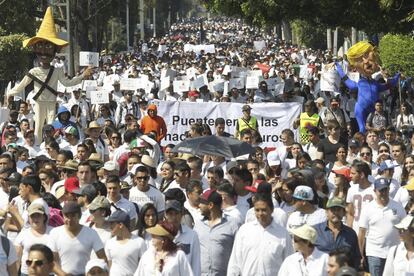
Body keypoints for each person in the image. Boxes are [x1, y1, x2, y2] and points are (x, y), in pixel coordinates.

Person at [6, 7, 92, 142]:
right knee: (38, 126)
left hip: (52, 102)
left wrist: (82, 76)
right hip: (39, 102)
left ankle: (51, 145)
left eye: (49, 47)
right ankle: (38, 145)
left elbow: (67, 83)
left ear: (55, 50)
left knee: (51, 126)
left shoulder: (57, 70)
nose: (44, 52)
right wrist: (10, 93)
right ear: (35, 48)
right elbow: (21, 86)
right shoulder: (33, 72)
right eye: (40, 47)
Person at [227, 193, 293, 275]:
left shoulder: (283, 234)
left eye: (264, 210)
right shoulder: (244, 231)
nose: (260, 214)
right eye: (257, 210)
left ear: (272, 209)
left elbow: (289, 263)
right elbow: (235, 261)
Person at [358, 177, 406, 276]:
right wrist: (360, 254)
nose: (383, 193)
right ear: (375, 191)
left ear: (389, 189)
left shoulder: (398, 206)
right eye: (381, 190)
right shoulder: (368, 208)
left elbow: (405, 227)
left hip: (394, 252)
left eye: (385, 189)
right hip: (375, 253)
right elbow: (362, 232)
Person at [49, 202, 107, 275]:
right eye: (67, 216)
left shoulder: (91, 233)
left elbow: (102, 258)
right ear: (63, 216)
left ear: (79, 216)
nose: (70, 219)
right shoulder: (55, 233)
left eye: (73, 216)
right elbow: (52, 261)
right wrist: (64, 274)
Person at [194, 189, 238, 276]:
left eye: (202, 202)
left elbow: (238, 253)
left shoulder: (232, 224)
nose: (199, 205)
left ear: (210, 205)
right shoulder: (198, 225)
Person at [314, 197, 361, 270]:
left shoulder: (351, 233)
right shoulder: (315, 231)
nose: (336, 213)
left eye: (339, 210)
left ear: (344, 213)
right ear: (326, 212)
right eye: (333, 210)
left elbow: (356, 258)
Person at [164, 200, 201, 275]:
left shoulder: (192, 235)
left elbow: (196, 264)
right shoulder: (160, 234)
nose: (174, 217)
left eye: (177, 213)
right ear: (165, 215)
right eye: (170, 214)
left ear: (182, 214)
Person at [105, 210, 147, 276]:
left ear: (121, 225)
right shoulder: (109, 243)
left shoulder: (139, 242)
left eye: (112, 223)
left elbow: (144, 267)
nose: (110, 227)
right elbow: (110, 265)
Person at [15, 204, 52, 276]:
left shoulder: (54, 232)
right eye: (32, 216)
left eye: (38, 215)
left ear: (44, 217)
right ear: (28, 218)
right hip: (26, 273)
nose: (35, 219)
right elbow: (17, 258)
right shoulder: (23, 234)